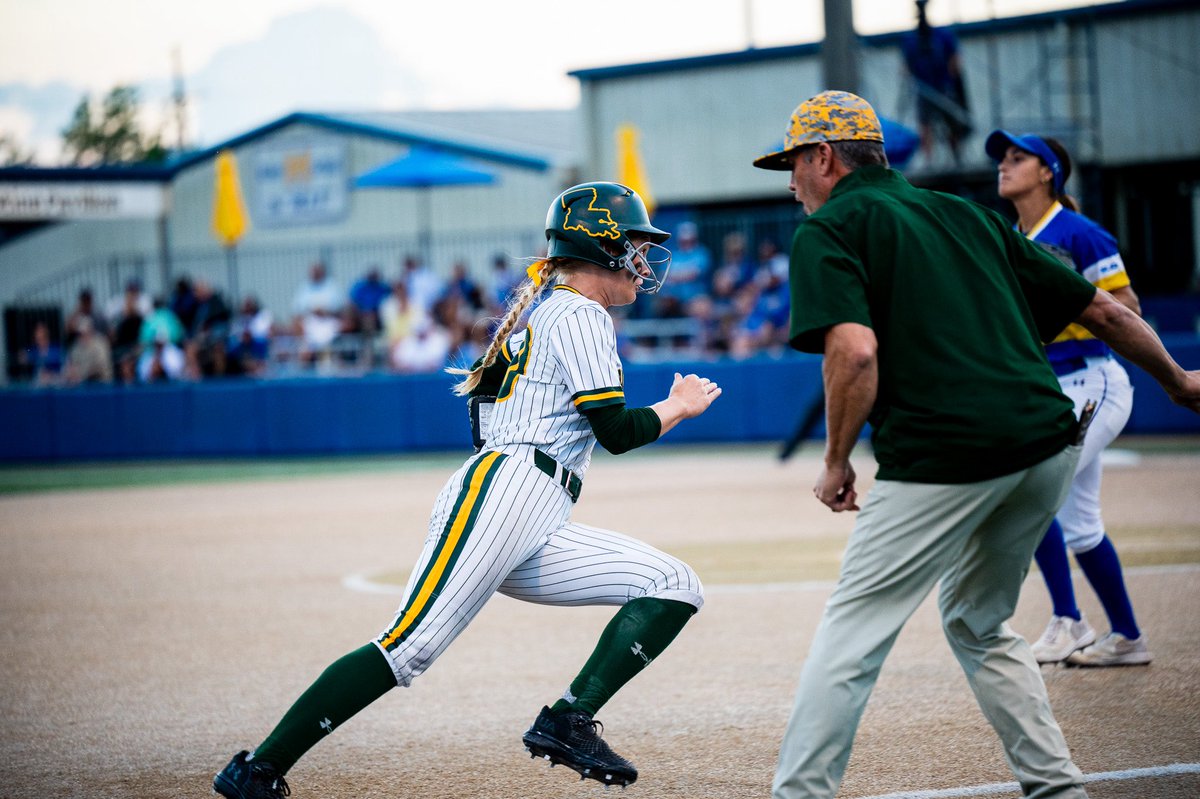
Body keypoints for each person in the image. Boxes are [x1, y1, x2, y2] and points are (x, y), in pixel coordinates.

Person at [751, 90, 1200, 799]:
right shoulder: (965, 214)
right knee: (979, 621)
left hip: (943, 455)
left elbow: (856, 354)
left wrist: (836, 460)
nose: (789, 181)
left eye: (793, 164)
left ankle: (798, 794)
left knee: (852, 632)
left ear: (824, 157)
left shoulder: (830, 227)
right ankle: (1057, 787)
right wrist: (1177, 381)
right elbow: (1104, 309)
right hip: (1047, 441)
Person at [212, 181, 721, 799]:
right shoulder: (581, 312)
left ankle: (567, 718)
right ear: (602, 247)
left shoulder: (550, 311)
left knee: (674, 585)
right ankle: (256, 771)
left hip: (533, 499)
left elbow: (488, 415)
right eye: (635, 245)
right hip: (509, 489)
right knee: (409, 647)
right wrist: (677, 406)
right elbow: (614, 430)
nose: (644, 262)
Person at [987, 130, 1151, 667]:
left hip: (1092, 381)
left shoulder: (1078, 232)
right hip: (1052, 387)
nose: (1003, 167)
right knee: (1080, 524)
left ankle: (1068, 623)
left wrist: (1058, 320)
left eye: (1017, 158)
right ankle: (1126, 637)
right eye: (1002, 159)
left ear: (1047, 172)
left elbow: (1127, 304)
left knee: (1030, 493)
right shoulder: (1014, 236)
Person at [901, 0, 971, 166]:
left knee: (951, 122)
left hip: (943, 88)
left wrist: (949, 82)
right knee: (925, 125)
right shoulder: (911, 39)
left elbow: (955, 61)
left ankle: (956, 158)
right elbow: (906, 68)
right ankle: (929, 162)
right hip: (925, 90)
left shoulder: (942, 35)